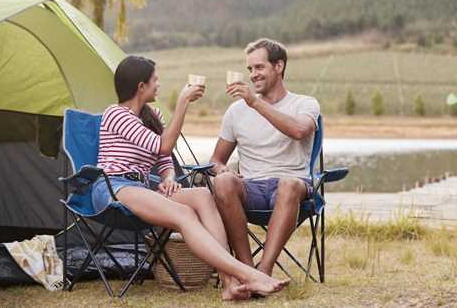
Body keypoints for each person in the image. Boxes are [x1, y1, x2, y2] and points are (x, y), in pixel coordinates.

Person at [92, 55, 287, 301]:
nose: (159, 84)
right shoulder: (116, 114)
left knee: (203, 196)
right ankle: (249, 274)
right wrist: (183, 102)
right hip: (113, 187)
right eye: (155, 79)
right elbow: (162, 146)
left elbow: (163, 160)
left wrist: (169, 176)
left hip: (141, 187)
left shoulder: (153, 117)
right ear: (141, 86)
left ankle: (228, 284)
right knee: (184, 214)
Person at [210, 38, 320, 292]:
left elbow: (299, 130)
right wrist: (221, 170)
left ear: (279, 66)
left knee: (289, 184)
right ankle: (247, 271)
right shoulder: (235, 111)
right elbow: (216, 160)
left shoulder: (304, 104)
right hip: (252, 188)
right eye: (250, 69)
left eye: (259, 67)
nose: (253, 75)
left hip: (292, 189)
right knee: (224, 182)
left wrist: (255, 103)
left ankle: (264, 270)